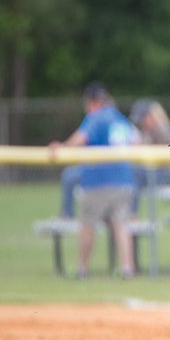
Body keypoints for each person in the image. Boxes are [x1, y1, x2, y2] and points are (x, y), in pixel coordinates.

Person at [49, 83, 140, 278]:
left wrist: (62, 147)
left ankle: (82, 269)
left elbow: (80, 139)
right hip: (124, 180)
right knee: (121, 225)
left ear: (91, 102)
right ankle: (127, 268)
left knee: (88, 225)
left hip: (98, 181)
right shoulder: (119, 117)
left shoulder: (95, 117)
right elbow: (136, 142)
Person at [129, 99, 170, 212]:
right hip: (153, 172)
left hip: (164, 174)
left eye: (142, 118)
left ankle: (133, 214)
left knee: (134, 174)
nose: (140, 122)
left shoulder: (160, 129)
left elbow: (166, 159)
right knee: (132, 173)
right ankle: (130, 213)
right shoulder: (148, 130)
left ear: (149, 116)